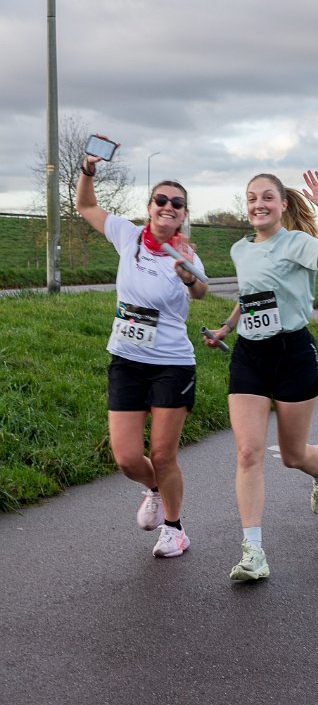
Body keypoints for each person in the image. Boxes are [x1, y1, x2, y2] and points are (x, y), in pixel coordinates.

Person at [204, 171, 318, 580]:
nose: (259, 204)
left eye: (267, 197)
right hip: (249, 356)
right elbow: (249, 296)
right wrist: (226, 327)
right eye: (252, 198)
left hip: (293, 355)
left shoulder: (298, 243)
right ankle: (253, 552)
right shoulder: (240, 249)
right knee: (248, 452)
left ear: (283, 204)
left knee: (291, 455)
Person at [75, 143, 208, 559]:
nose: (168, 206)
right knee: (128, 458)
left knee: (163, 454)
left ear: (184, 214)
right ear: (150, 207)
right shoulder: (127, 235)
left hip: (171, 363)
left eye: (177, 203)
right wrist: (88, 169)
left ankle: (175, 529)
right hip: (126, 360)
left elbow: (201, 292)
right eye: (161, 200)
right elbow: (85, 206)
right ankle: (153, 489)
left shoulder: (185, 254)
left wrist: (188, 276)